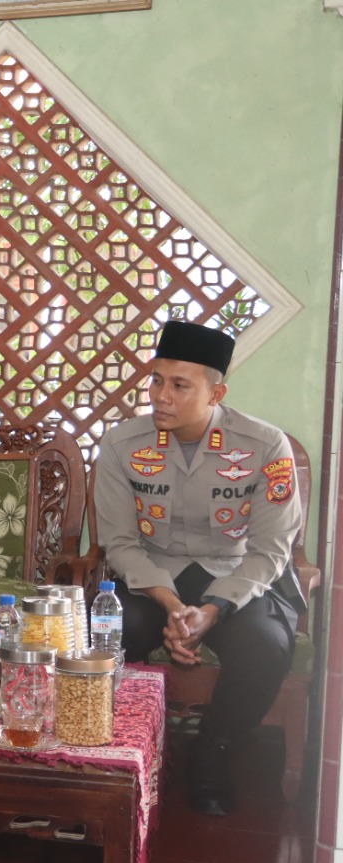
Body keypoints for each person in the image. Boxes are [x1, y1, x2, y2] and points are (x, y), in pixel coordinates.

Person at [93, 320, 305, 817]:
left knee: (266, 646)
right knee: (107, 631)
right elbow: (119, 543)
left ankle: (214, 750)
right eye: (156, 380)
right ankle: (112, 752)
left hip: (234, 575)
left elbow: (272, 547)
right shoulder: (122, 444)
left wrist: (211, 610)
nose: (161, 396)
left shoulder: (265, 445)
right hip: (152, 575)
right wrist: (172, 606)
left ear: (216, 393)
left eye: (179, 385)